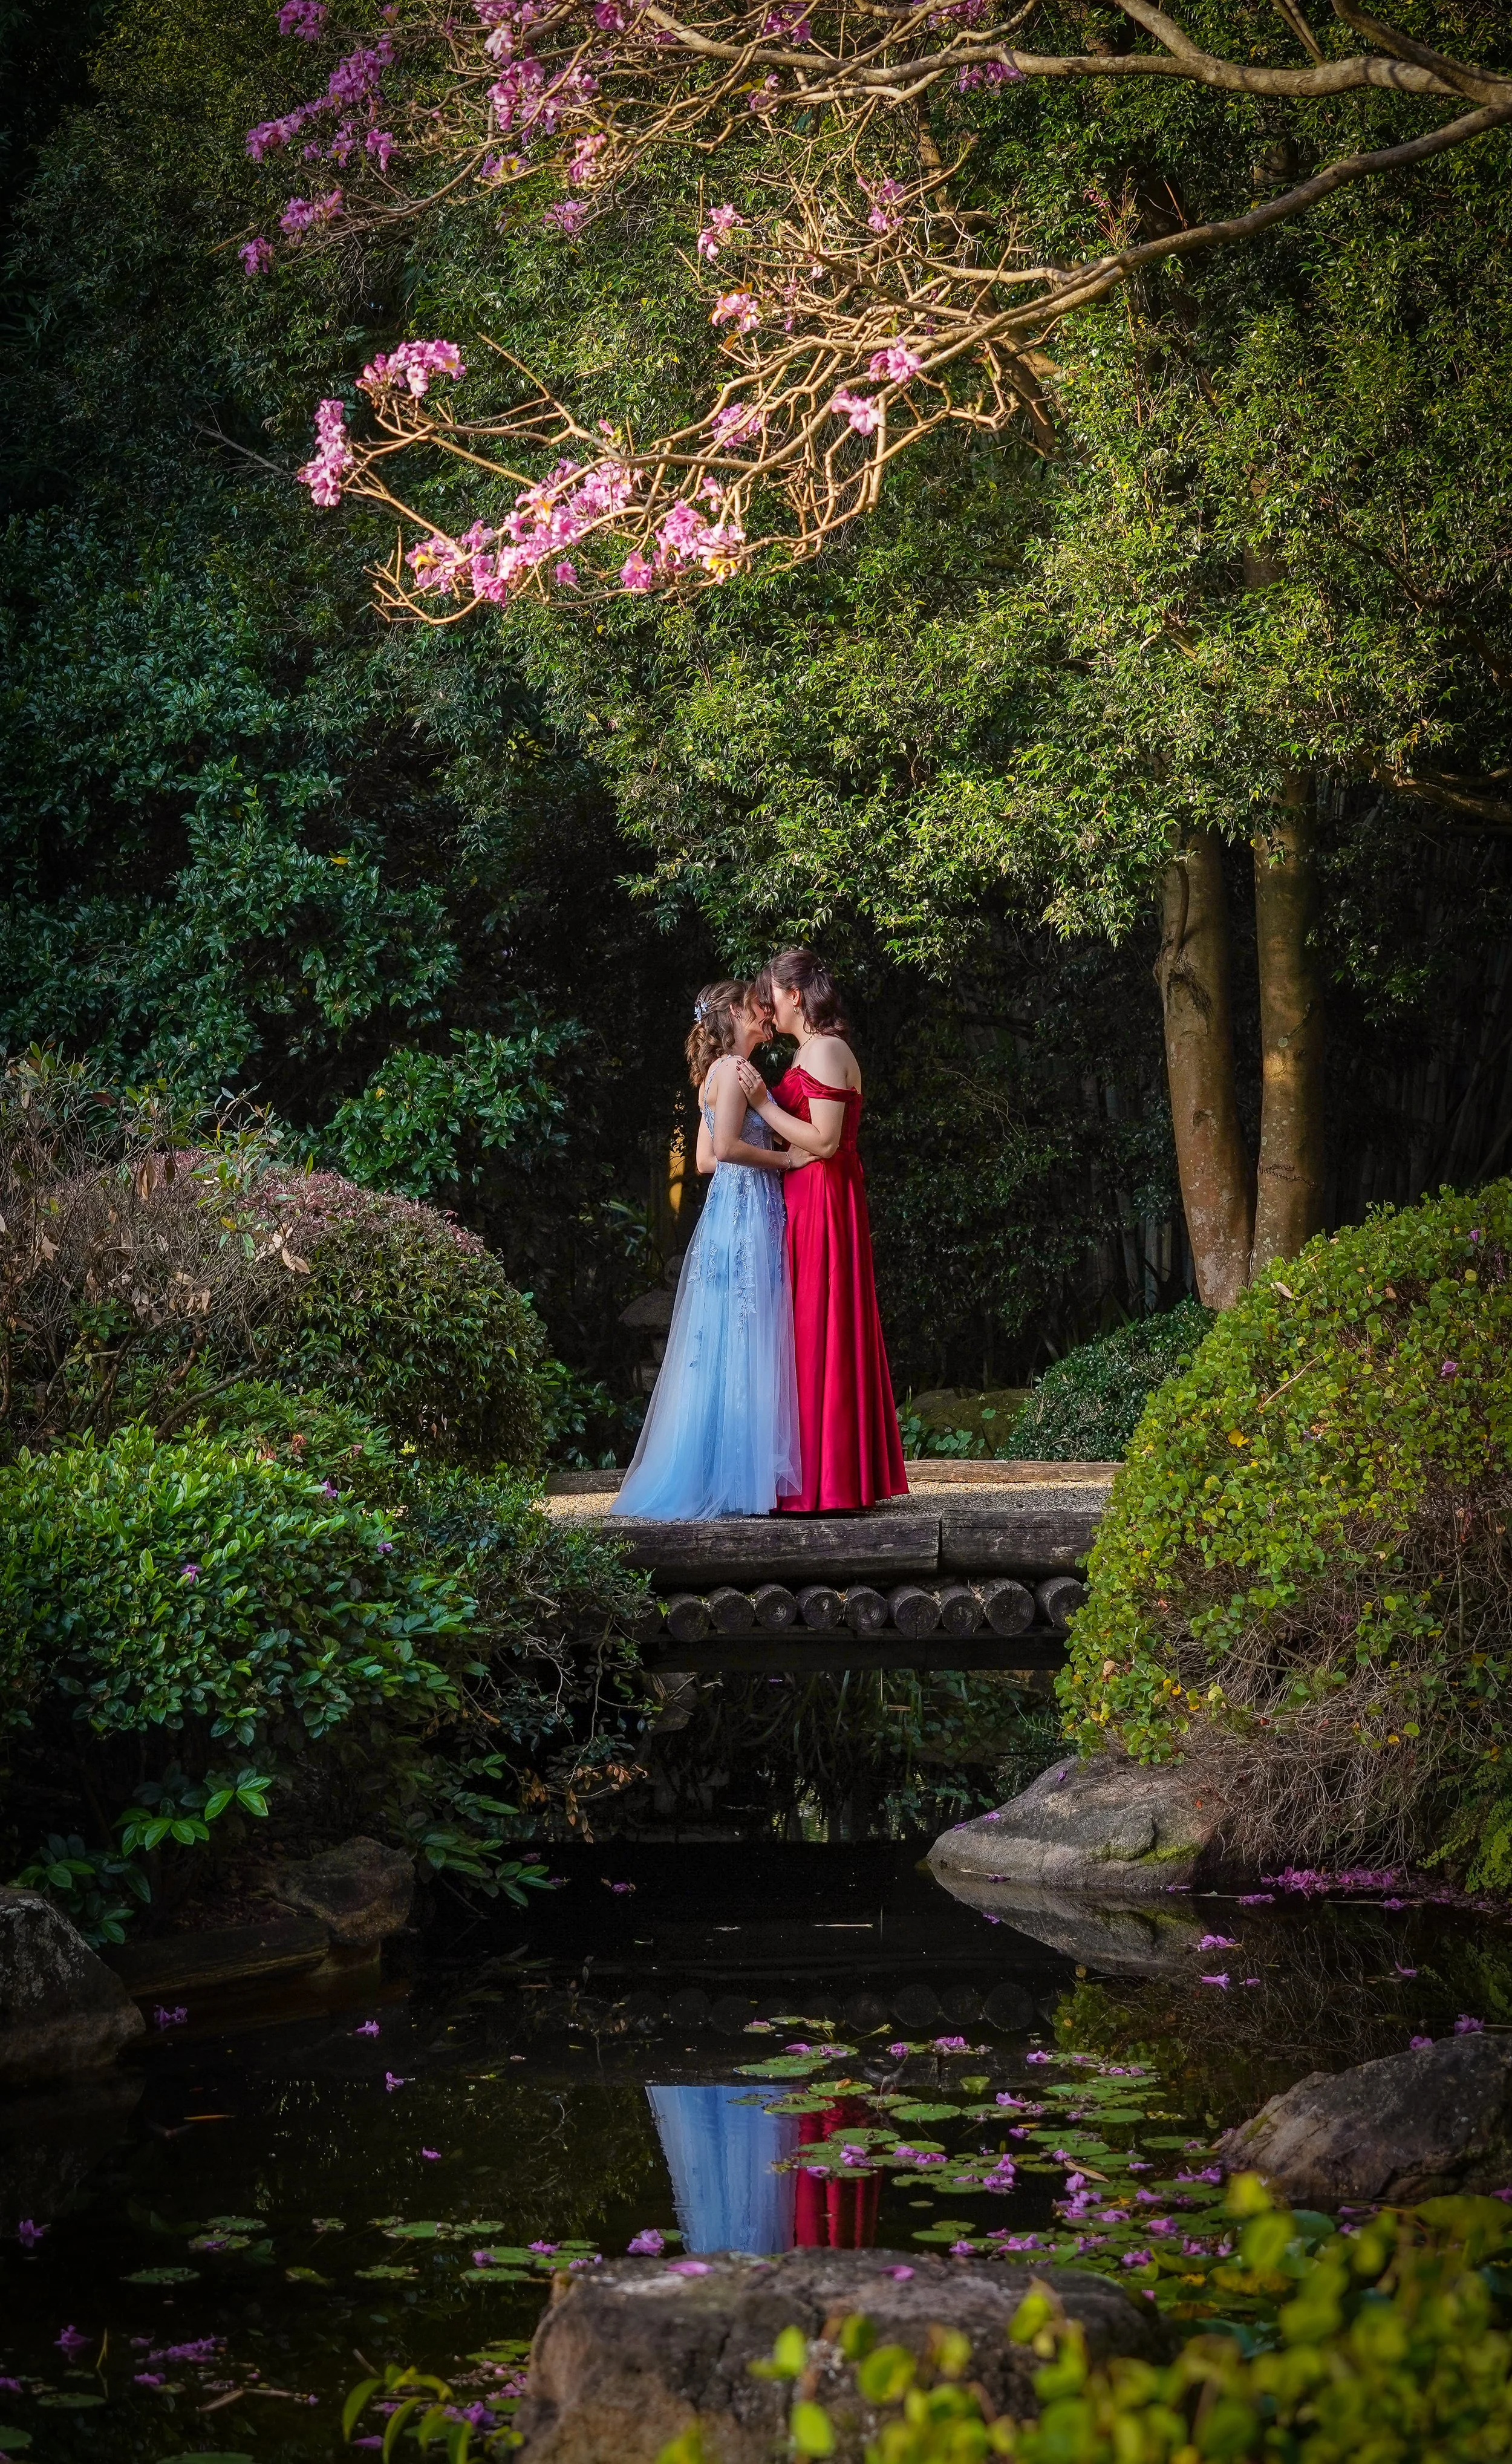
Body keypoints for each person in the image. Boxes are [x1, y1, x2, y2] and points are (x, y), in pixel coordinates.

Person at [611, 980, 804, 1520]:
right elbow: (723, 1149)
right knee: (746, 1332)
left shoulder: (713, 1075)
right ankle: (738, 1478)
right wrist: (785, 1161)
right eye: (757, 1009)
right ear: (737, 1014)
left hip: (726, 1212)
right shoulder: (735, 1072)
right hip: (746, 1216)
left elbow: (702, 1161)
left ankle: (717, 1468)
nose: (766, 1015)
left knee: (724, 1335)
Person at [737, 948, 908, 1514]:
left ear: (792, 995)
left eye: (771, 992)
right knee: (805, 1329)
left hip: (826, 1198)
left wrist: (763, 1104)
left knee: (820, 1324)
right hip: (807, 1198)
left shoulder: (829, 1051)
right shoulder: (809, 1053)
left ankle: (827, 1483)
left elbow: (826, 1141)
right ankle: (811, 1478)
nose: (766, 1003)